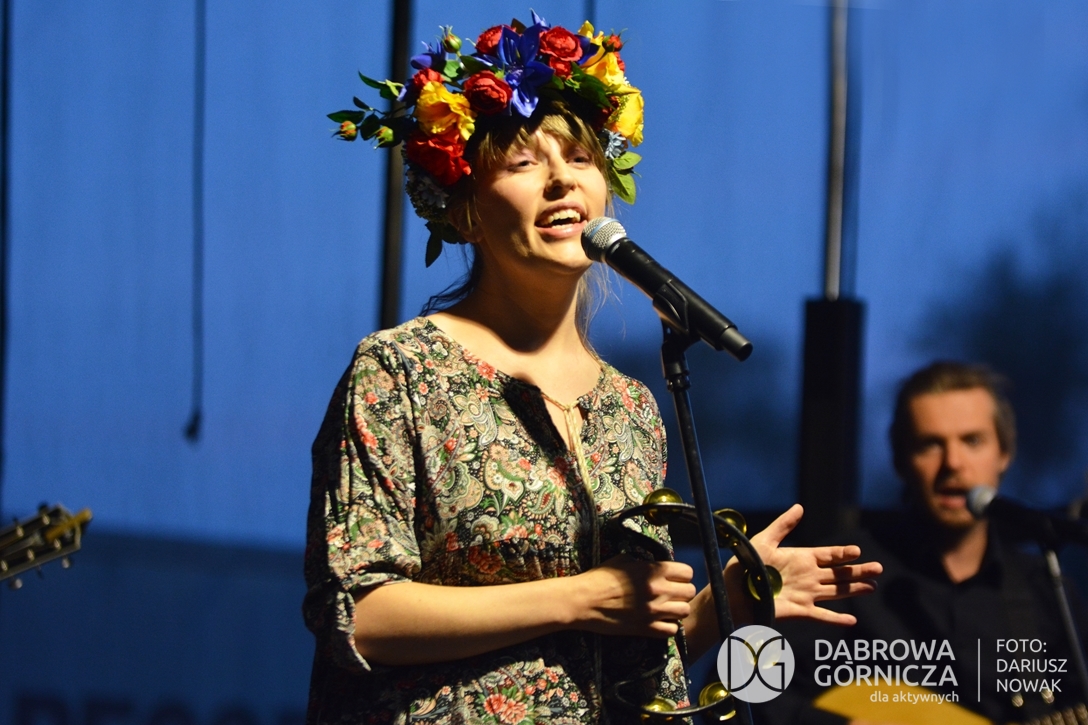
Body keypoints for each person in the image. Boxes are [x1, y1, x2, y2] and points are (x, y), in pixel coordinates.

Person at [303, 13, 881, 724]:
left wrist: (724, 604)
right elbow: (358, 616)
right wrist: (579, 597)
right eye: (522, 163)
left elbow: (626, 660)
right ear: (465, 212)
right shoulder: (400, 369)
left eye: (579, 158)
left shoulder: (630, 406)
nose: (560, 181)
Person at [757, 361, 1088, 725]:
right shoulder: (843, 574)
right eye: (930, 444)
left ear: (1004, 453)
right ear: (901, 461)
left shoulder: (1046, 590)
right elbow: (735, 683)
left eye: (972, 441)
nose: (953, 463)